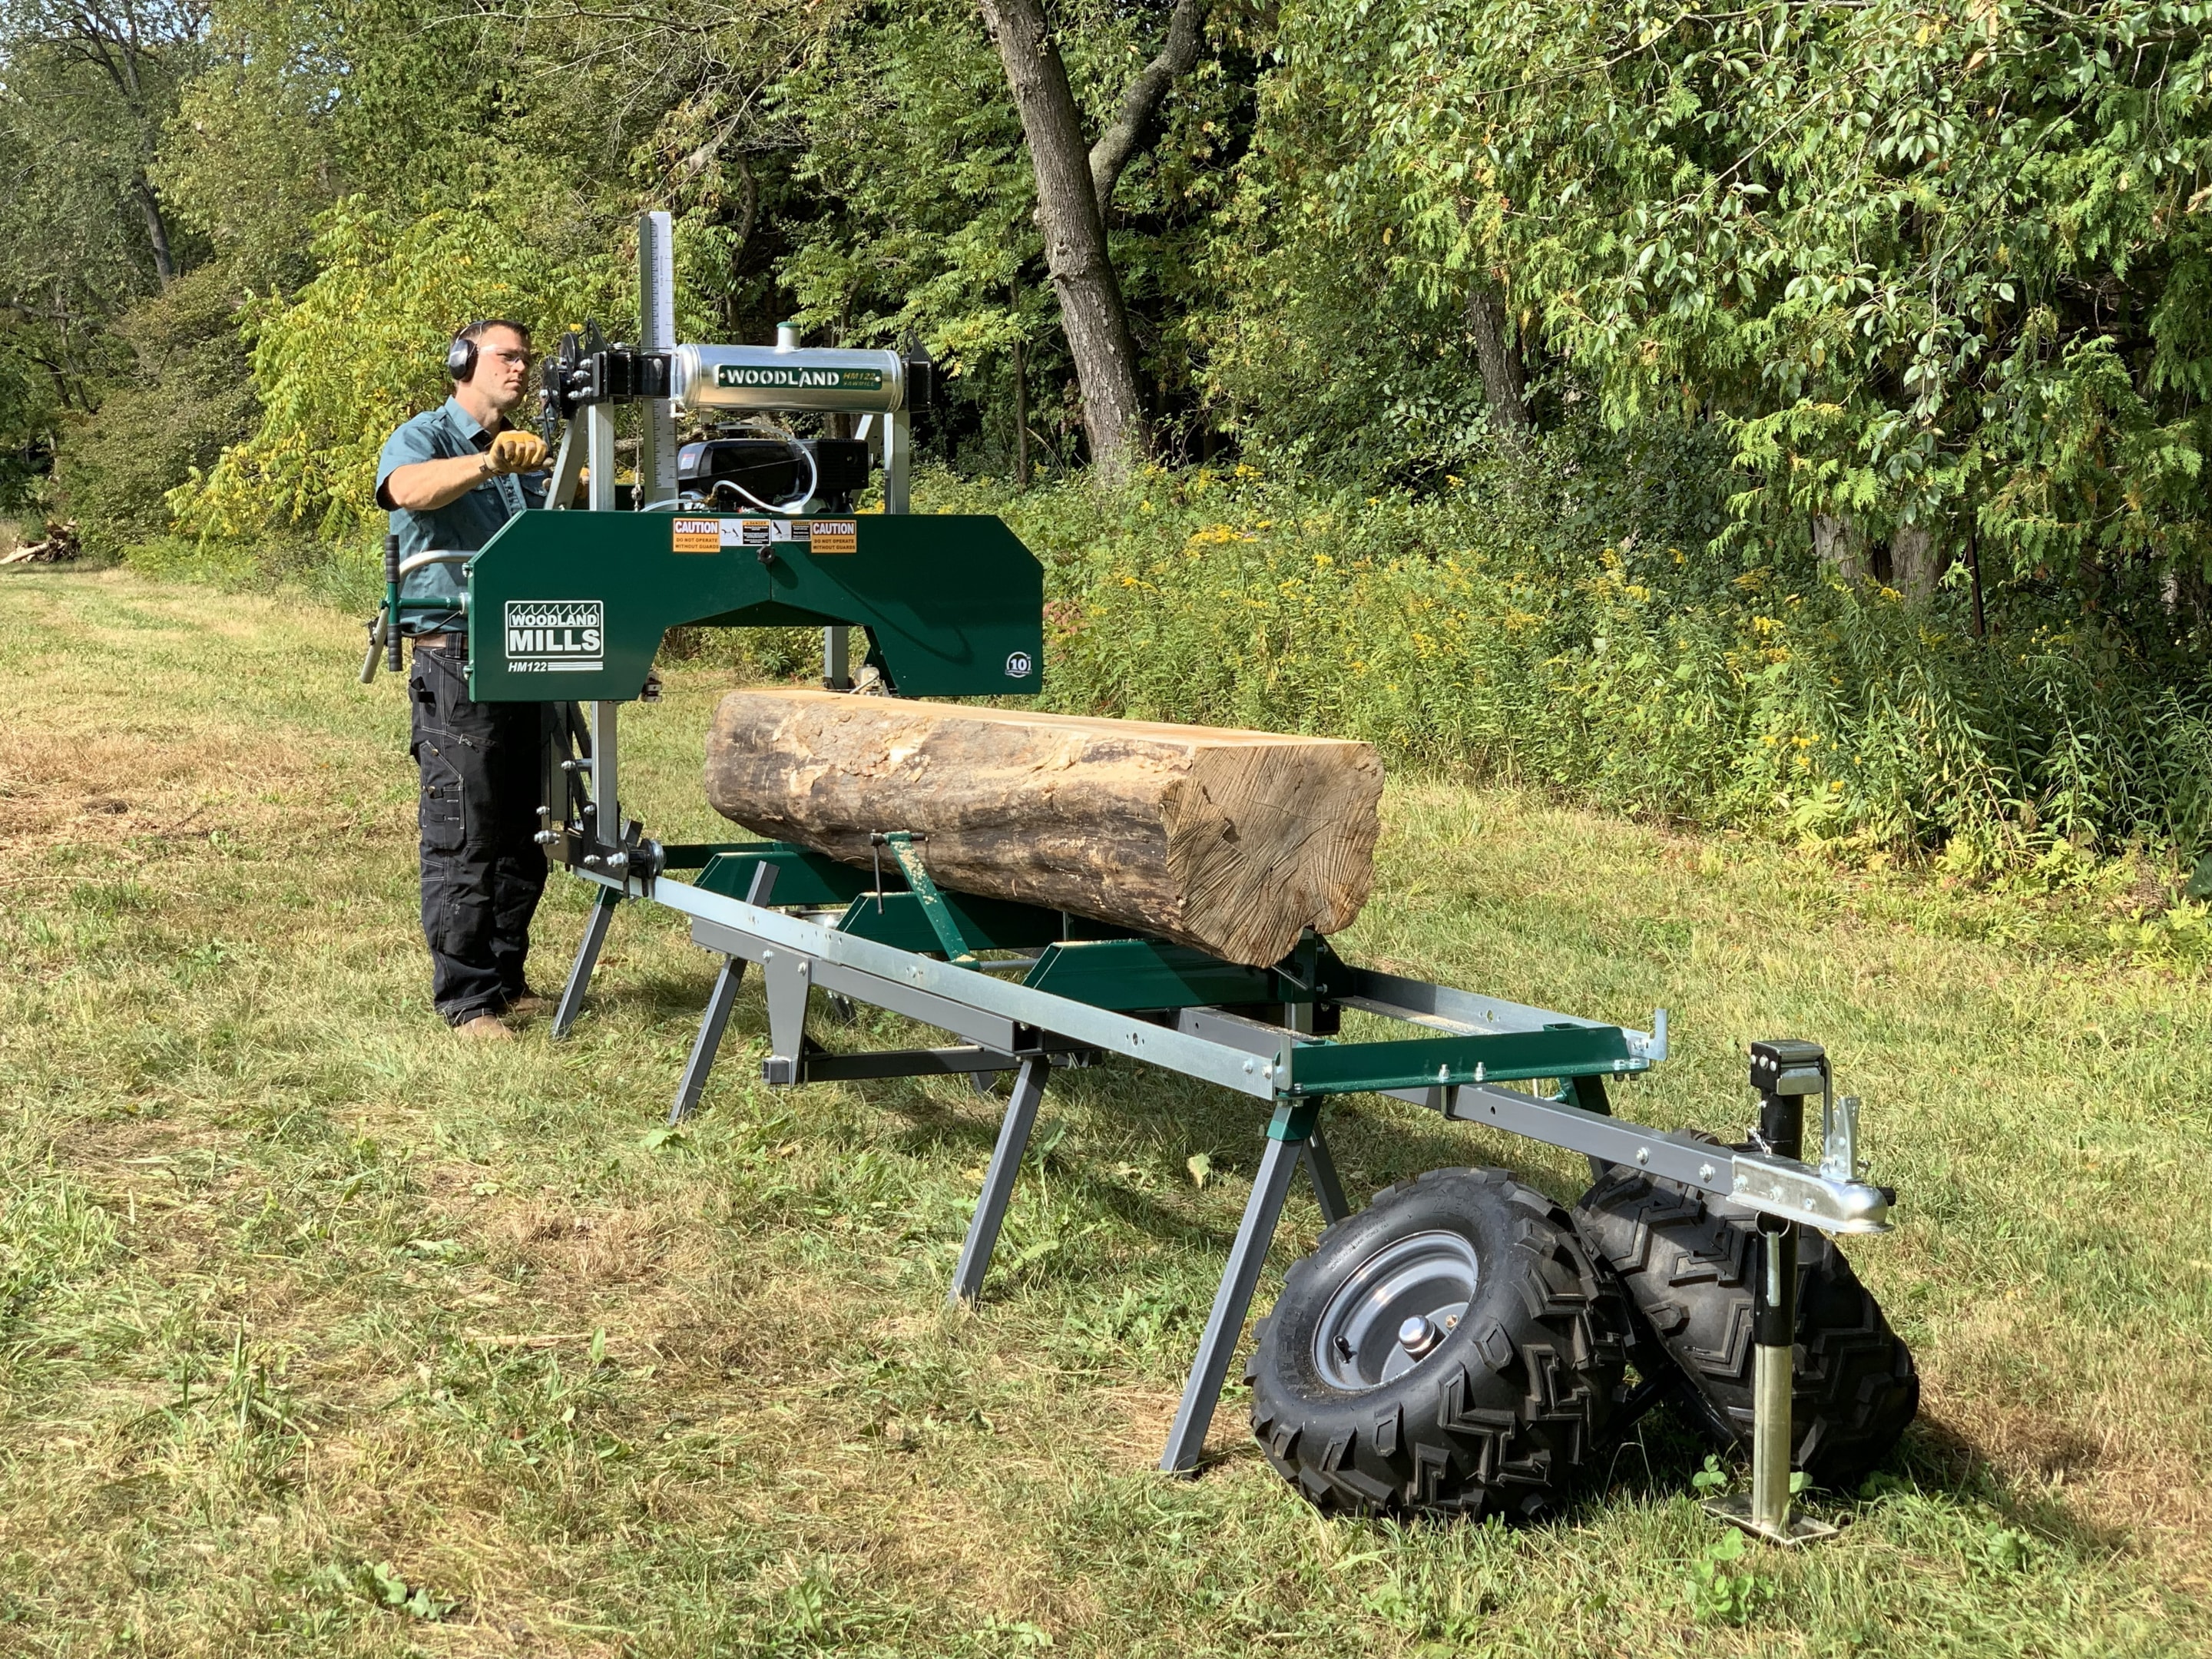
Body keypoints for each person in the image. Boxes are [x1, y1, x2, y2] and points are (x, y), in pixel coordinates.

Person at [376, 319, 553, 1040]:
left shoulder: (533, 450)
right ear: (464, 361)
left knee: (526, 830)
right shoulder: (426, 436)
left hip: (527, 651)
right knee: (465, 826)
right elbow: (406, 490)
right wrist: (488, 465)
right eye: (506, 356)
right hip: (454, 653)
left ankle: (506, 978)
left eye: (525, 360)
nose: (520, 368)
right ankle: (467, 998)